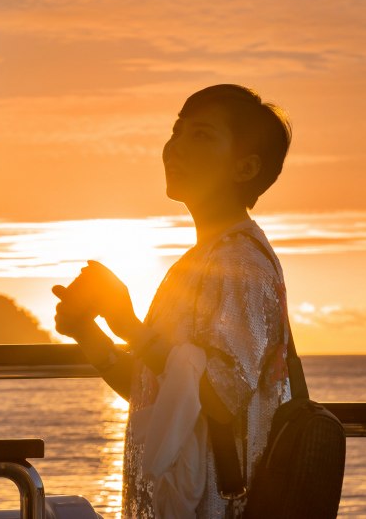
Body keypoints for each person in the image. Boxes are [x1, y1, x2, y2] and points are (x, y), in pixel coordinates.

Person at [53, 84, 294, 519]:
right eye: (176, 131)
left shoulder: (241, 264)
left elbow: (219, 398)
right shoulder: (202, 260)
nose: (174, 147)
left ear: (246, 167)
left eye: (200, 135)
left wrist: (128, 324)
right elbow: (161, 394)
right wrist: (88, 332)